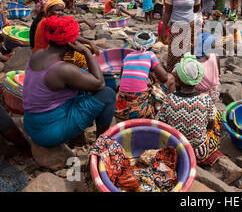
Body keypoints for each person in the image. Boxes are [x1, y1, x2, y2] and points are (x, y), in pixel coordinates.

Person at [23, 16, 116, 147]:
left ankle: (77, 138)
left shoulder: (38, 55)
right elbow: (100, 84)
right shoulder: (63, 69)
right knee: (108, 94)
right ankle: (102, 145)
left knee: (82, 83)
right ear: (70, 43)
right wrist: (86, 52)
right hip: (48, 133)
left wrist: (87, 43)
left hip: (32, 124)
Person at [158, 53, 224, 166]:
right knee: (217, 116)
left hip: (176, 150)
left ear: (179, 80)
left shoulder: (168, 99)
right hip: (199, 153)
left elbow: (162, 124)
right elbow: (210, 126)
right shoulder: (206, 99)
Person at [115, 31, 175, 120]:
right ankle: (168, 111)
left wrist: (148, 73)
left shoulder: (128, 56)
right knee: (171, 78)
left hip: (122, 109)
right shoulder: (150, 55)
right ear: (151, 45)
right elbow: (164, 77)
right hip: (140, 111)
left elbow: (123, 77)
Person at [161, 0, 201, 72]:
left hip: (190, 26)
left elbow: (196, 8)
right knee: (174, 52)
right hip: (176, 26)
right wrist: (163, 29)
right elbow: (167, 12)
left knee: (189, 51)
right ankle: (172, 74)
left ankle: (187, 73)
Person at [194, 33, 221, 102]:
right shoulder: (215, 56)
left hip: (197, 94)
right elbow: (219, 74)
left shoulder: (193, 59)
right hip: (214, 92)